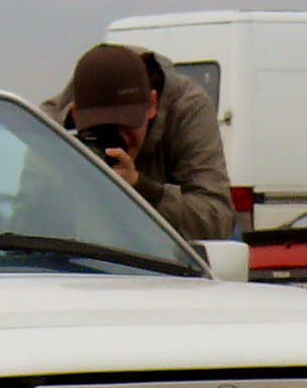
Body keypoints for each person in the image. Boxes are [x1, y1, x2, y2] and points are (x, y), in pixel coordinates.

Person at [42, 43, 234, 240]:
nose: (118, 139)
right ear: (76, 114)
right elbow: (27, 216)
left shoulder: (187, 111)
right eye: (103, 128)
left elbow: (217, 221)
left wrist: (140, 187)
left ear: (152, 104)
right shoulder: (50, 126)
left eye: (127, 124)